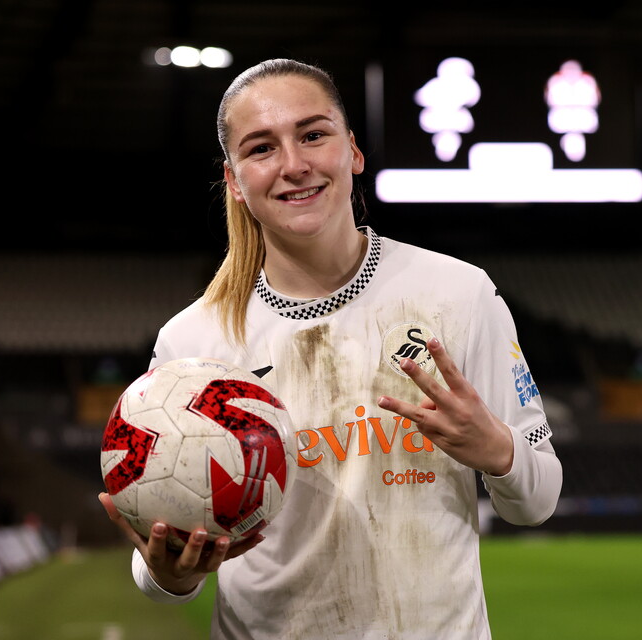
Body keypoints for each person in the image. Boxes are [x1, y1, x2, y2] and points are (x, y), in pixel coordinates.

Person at [99, 57, 563, 640]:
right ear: (235, 182)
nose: (294, 165)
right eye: (262, 148)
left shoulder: (458, 294)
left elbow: (538, 498)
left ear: (353, 150)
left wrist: (496, 448)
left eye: (313, 135)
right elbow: (159, 562)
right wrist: (168, 574)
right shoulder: (194, 343)